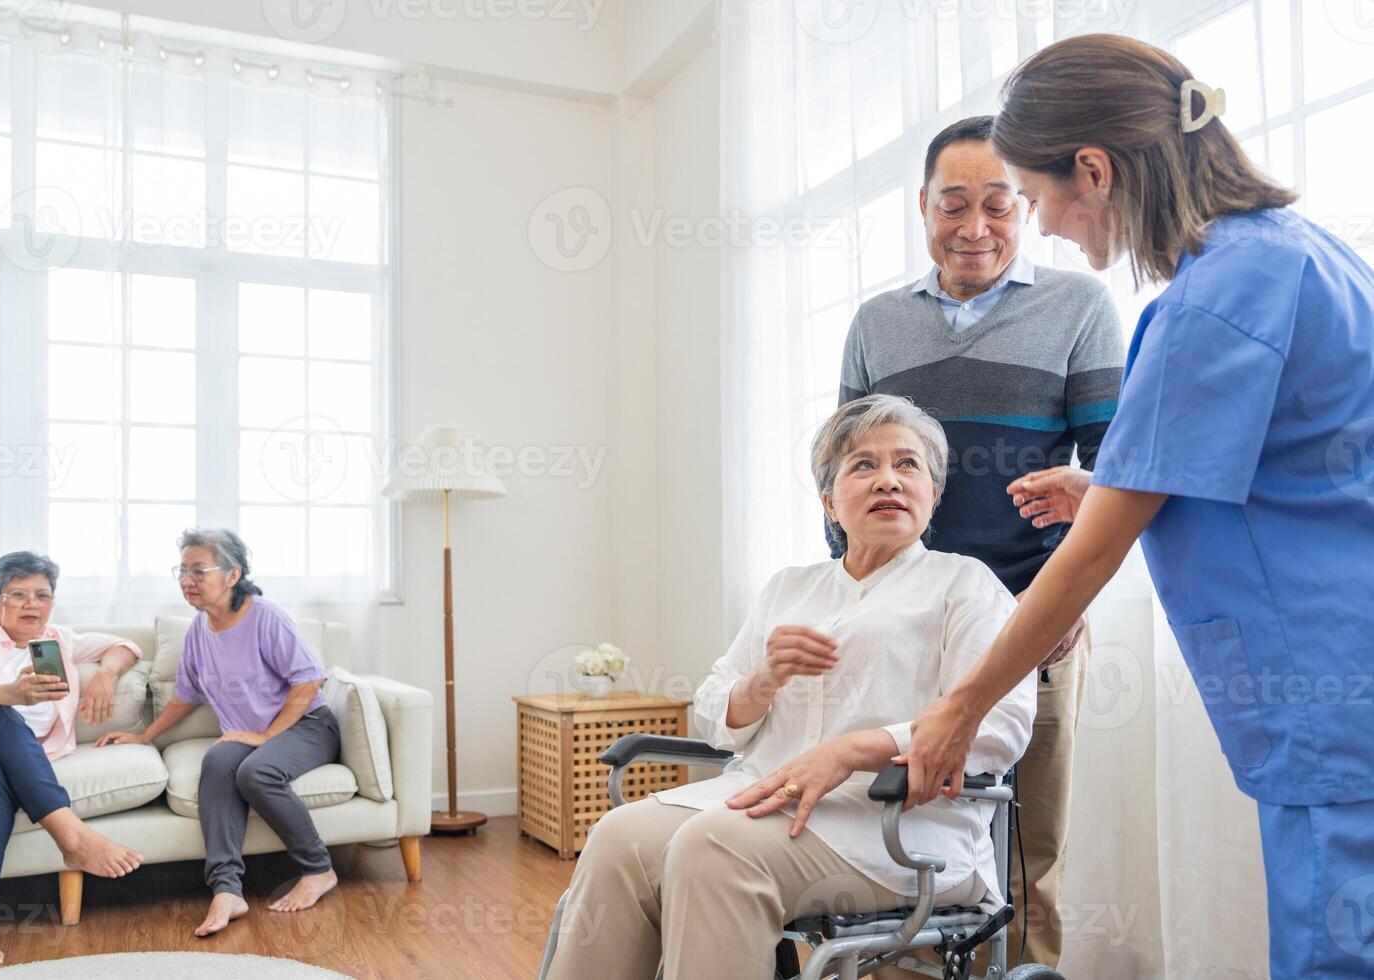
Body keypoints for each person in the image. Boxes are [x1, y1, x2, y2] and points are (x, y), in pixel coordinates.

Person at [845, 35, 1373, 979]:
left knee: (1336, 953)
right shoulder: (1297, 254)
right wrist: (1103, 485)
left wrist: (960, 709)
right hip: (1335, 673)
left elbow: (1093, 553)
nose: (1043, 227)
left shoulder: (1215, 295)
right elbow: (1277, 465)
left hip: (1329, 683)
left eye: (1035, 197)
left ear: (1094, 170)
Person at [545, 395, 1035, 979]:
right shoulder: (789, 588)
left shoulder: (965, 585)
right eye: (863, 465)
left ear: (934, 493)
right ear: (829, 502)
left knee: (713, 848)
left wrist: (852, 750)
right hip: (760, 797)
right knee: (619, 837)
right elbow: (713, 710)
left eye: (908, 465)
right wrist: (764, 679)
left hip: (892, 823)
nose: (889, 480)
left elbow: (999, 724)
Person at [835, 114, 1124, 968]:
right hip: (904, 619)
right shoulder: (877, 323)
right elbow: (843, 475)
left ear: (1026, 208)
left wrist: (1065, 602)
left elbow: (1117, 478)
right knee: (898, 834)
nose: (975, 228)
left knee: (1024, 851)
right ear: (921, 207)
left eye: (998, 205)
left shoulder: (1079, 306)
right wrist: (855, 599)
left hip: (1034, 618)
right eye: (953, 204)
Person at [0, 551, 145, 973]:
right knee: (0, 716)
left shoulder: (54, 641)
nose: (32, 604)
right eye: (19, 594)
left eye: (42, 595)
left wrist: (106, 674)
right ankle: (71, 837)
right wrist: (8, 694)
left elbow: (125, 645)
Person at [97, 528, 340, 938]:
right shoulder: (199, 630)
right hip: (247, 735)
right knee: (218, 761)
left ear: (232, 575)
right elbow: (186, 696)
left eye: (198, 570)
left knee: (255, 772)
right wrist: (143, 737)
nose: (186, 580)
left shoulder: (265, 617)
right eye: (182, 570)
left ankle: (319, 869)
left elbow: (308, 681)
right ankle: (227, 890)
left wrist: (266, 737)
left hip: (307, 726)